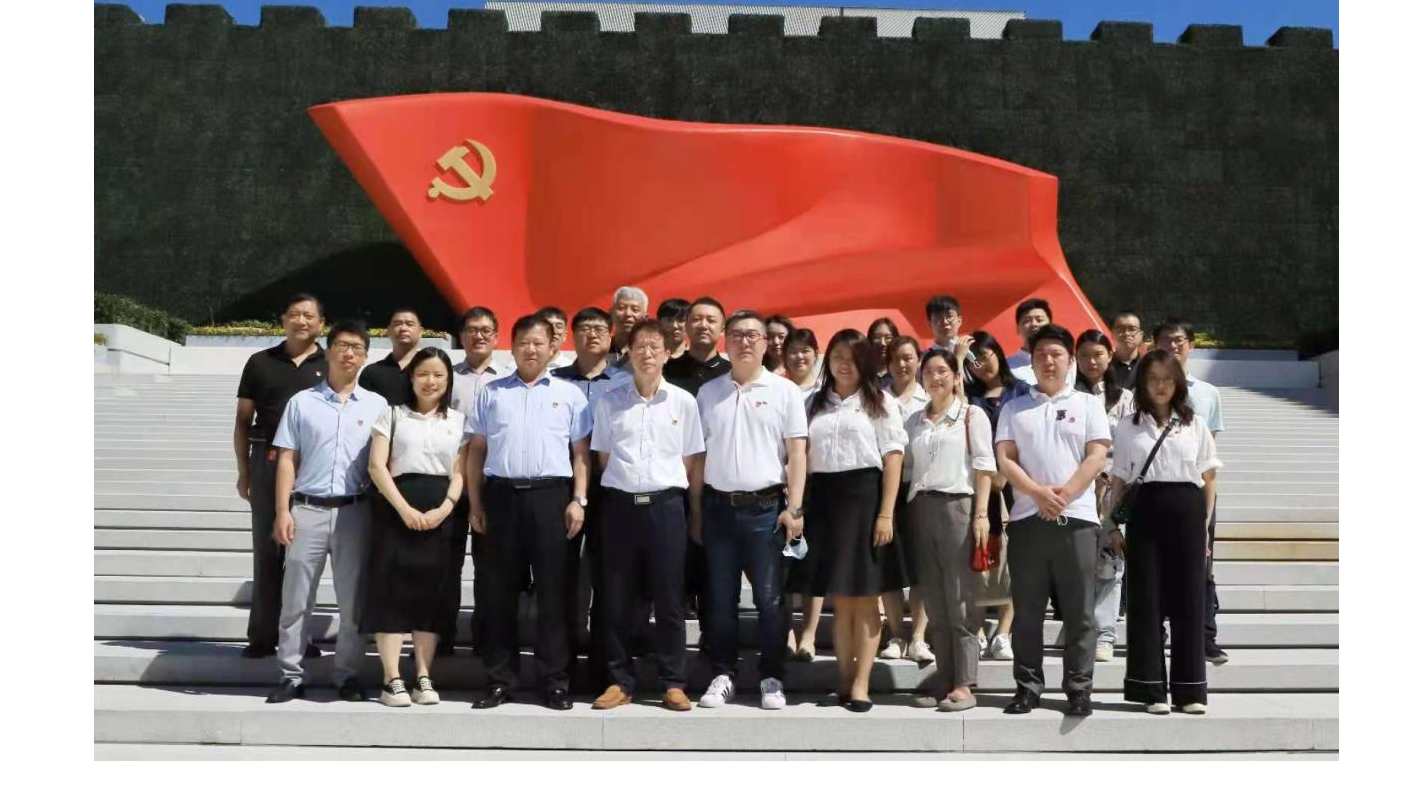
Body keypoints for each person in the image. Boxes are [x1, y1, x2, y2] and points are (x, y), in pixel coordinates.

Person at [466, 315, 593, 711]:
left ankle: (555, 681)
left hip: (552, 499)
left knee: (555, 593)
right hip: (501, 497)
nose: (531, 349)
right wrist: (475, 503)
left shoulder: (570, 395)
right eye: (524, 342)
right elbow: (476, 452)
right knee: (498, 593)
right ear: (513, 346)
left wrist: (579, 499)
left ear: (553, 347)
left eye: (539, 342)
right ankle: (500, 680)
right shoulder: (492, 393)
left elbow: (581, 454)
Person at [265, 321, 390, 704]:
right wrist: (282, 511)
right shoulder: (302, 402)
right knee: (295, 598)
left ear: (365, 356)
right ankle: (290, 674)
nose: (349, 353)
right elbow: (287, 459)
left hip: (355, 512)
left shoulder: (377, 406)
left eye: (357, 348)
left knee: (352, 600)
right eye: (342, 345)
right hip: (307, 510)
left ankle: (347, 674)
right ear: (328, 351)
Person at [589, 319, 706, 712]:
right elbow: (603, 458)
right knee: (617, 598)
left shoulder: (683, 403)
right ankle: (619, 681)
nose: (648, 354)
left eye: (656, 347)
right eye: (640, 346)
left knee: (670, 598)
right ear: (628, 352)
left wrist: (691, 513)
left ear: (668, 353)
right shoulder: (609, 402)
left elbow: (690, 460)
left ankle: (673, 682)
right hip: (620, 507)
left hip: (666, 507)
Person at [994, 323, 1110, 717]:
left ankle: (1079, 689)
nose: (1048, 361)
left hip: (1077, 519)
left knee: (1080, 612)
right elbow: (1005, 459)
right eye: (1041, 354)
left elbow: (1096, 456)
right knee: (1027, 611)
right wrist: (1038, 494)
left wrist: (1064, 495)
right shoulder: (1014, 408)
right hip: (1028, 519)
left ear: (1070, 360)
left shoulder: (1088, 404)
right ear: (1031, 360)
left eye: (1056, 354)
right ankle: (1027, 687)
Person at [695, 310, 808, 711]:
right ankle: (723, 673)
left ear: (765, 343)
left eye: (753, 335)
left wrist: (795, 508)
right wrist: (696, 513)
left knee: (770, 600)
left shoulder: (785, 391)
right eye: (737, 335)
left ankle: (771, 676)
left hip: (767, 511)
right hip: (718, 509)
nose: (745, 342)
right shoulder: (708, 393)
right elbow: (697, 457)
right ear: (725, 341)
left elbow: (797, 453)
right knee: (720, 599)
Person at [1107, 350, 1220, 715]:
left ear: (1178, 383)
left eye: (1167, 379)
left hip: (1188, 511)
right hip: (1145, 512)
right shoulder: (1129, 425)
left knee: (1189, 601)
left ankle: (1190, 691)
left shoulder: (1194, 423)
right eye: (1153, 378)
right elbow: (1119, 477)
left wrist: (1204, 527)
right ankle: (1150, 689)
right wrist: (1112, 524)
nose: (1160, 386)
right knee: (1146, 600)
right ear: (1142, 383)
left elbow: (1208, 477)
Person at [805, 329, 907, 712]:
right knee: (841, 600)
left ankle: (863, 682)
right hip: (824, 503)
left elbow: (893, 458)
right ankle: (844, 679)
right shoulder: (814, 403)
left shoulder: (880, 401)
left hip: (866, 500)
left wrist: (886, 513)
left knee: (865, 598)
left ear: (864, 362)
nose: (843, 364)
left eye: (851, 358)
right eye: (837, 357)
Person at [365, 347, 467, 707]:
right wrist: (404, 508)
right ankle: (391, 679)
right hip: (395, 507)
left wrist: (445, 508)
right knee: (391, 592)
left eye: (439, 375)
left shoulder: (459, 420)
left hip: (442, 510)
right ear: (411, 378)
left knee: (431, 594)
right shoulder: (392, 415)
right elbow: (377, 466)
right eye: (423, 374)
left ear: (448, 380)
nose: (430, 381)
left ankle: (423, 675)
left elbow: (461, 471)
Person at [234, 292, 327, 660]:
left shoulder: (330, 363)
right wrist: (244, 472)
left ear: (321, 323)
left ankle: (299, 637)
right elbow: (243, 421)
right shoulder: (260, 362)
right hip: (268, 459)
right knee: (267, 551)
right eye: (294, 314)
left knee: (303, 556)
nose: (301, 321)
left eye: (309, 315)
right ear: (283, 320)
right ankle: (261, 636)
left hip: (313, 465)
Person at [903, 348, 996, 711]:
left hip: (959, 506)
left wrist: (981, 515)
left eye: (943, 371)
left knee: (960, 600)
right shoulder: (913, 421)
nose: (935, 378)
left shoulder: (972, 416)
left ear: (956, 376)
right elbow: (906, 468)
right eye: (929, 372)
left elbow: (984, 466)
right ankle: (944, 679)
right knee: (935, 600)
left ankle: (965, 683)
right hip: (920, 508)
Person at [552, 306, 633, 688]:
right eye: (584, 328)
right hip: (561, 487)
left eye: (600, 328)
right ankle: (563, 665)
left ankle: (604, 666)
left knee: (609, 577)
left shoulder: (626, 382)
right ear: (573, 335)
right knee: (563, 576)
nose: (592, 334)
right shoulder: (555, 382)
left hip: (613, 487)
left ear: (611, 333)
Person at [1154, 319, 1229, 666]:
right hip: (1156, 490)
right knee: (1157, 567)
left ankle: (1205, 636)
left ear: (1192, 345)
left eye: (1180, 340)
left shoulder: (1207, 393)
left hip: (1195, 489)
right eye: (1166, 340)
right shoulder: (1144, 390)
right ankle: (1157, 633)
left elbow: (1209, 448)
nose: (1173, 346)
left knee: (1202, 565)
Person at [964, 330, 1031, 662]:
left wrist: (1007, 470)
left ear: (998, 353)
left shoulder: (1022, 390)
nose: (981, 365)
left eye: (985, 356)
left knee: (1015, 559)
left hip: (1017, 483)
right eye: (973, 361)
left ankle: (1004, 631)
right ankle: (976, 630)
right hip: (980, 485)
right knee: (978, 557)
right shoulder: (968, 395)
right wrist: (956, 358)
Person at [1075, 329, 1135, 663]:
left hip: (1113, 488)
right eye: (1084, 355)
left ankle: (1105, 634)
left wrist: (1112, 476)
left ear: (1110, 356)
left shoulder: (1125, 399)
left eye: (1097, 354)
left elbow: (1130, 444)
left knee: (1112, 561)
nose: (1091, 361)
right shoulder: (1068, 397)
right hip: (1076, 488)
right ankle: (1080, 627)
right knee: (1077, 563)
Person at [880, 335, 931, 664]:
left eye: (908, 357)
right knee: (889, 566)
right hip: (886, 489)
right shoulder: (877, 399)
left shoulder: (929, 399)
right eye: (896, 358)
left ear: (919, 361)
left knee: (921, 567)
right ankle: (897, 633)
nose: (902, 364)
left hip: (920, 487)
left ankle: (919, 637)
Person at [358, 308, 423, 405]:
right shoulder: (371, 372)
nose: (403, 328)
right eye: (397, 324)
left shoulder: (431, 370)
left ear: (420, 331)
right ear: (388, 331)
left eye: (409, 324)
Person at [1006, 298, 1076, 386]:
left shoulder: (1069, 362)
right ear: (1018, 329)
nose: (1034, 324)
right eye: (1027, 321)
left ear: (1050, 325)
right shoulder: (1006, 366)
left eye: (1039, 320)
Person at [609, 286, 650, 372]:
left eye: (635, 310)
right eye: (621, 308)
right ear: (611, 313)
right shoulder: (600, 349)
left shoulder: (651, 351)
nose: (628, 314)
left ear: (645, 318)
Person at [1108, 310, 1146, 389]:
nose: (1126, 334)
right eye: (1120, 329)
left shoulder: (1148, 366)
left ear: (1141, 335)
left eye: (1132, 329)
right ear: (1112, 333)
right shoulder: (1104, 366)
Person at [783, 328, 821, 397]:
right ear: (785, 356)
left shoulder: (825, 391)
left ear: (815, 354)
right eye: (793, 352)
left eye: (805, 351)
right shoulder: (778, 390)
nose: (799, 356)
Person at [866, 317, 899, 390]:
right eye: (877, 337)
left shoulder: (901, 373)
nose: (882, 343)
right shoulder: (862, 375)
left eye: (888, 337)